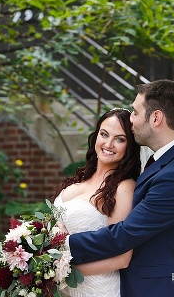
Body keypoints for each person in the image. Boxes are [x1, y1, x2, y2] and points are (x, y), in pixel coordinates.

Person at [67, 80, 174, 296]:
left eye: (135, 112)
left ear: (156, 118)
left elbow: (125, 235)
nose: (131, 119)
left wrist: (62, 244)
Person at [53, 108, 140, 296]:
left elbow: (122, 259)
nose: (109, 144)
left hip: (99, 290)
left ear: (130, 146)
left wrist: (60, 270)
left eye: (120, 139)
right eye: (104, 134)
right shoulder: (81, 178)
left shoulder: (124, 188)